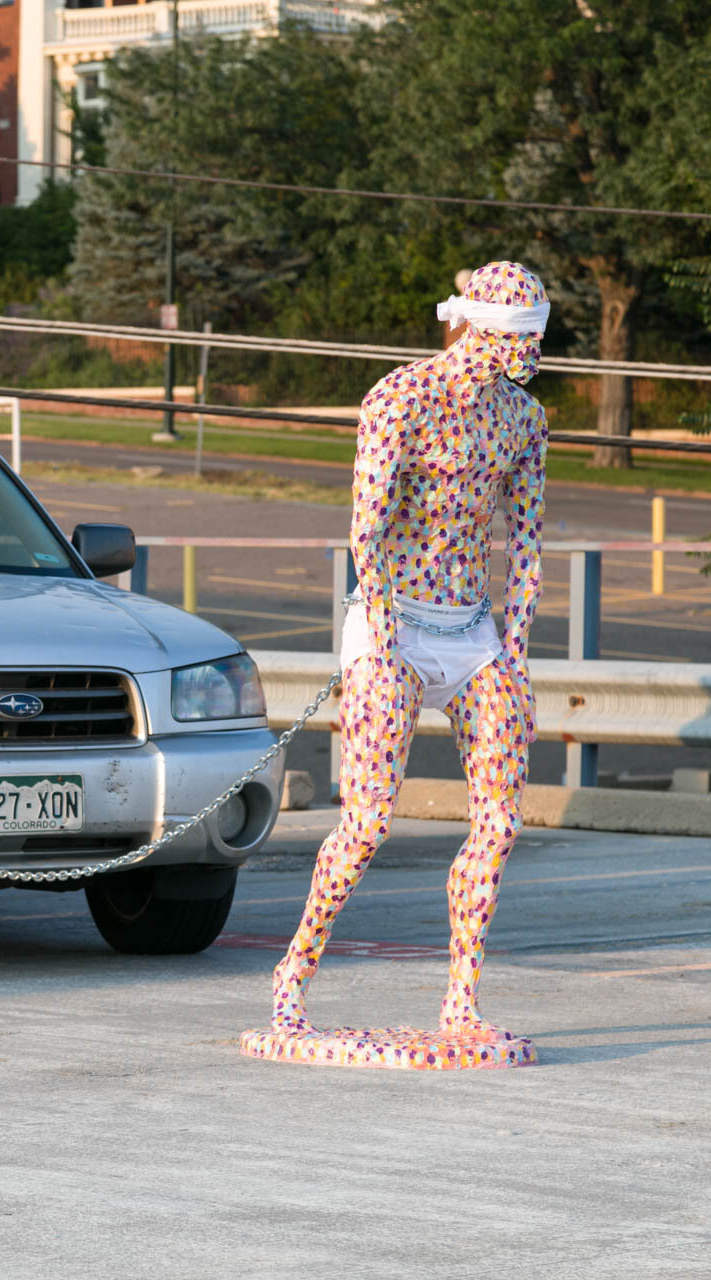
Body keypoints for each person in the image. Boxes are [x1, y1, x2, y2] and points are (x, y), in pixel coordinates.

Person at [243, 261, 549, 1069]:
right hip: (393, 624)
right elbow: (366, 528)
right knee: (370, 821)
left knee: (500, 822)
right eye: (521, 336)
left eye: (540, 337)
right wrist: (377, 633)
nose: (533, 353)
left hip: (472, 630)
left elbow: (526, 544)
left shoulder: (524, 419)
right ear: (476, 328)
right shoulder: (399, 398)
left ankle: (462, 1001)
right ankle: (293, 979)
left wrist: (511, 647)